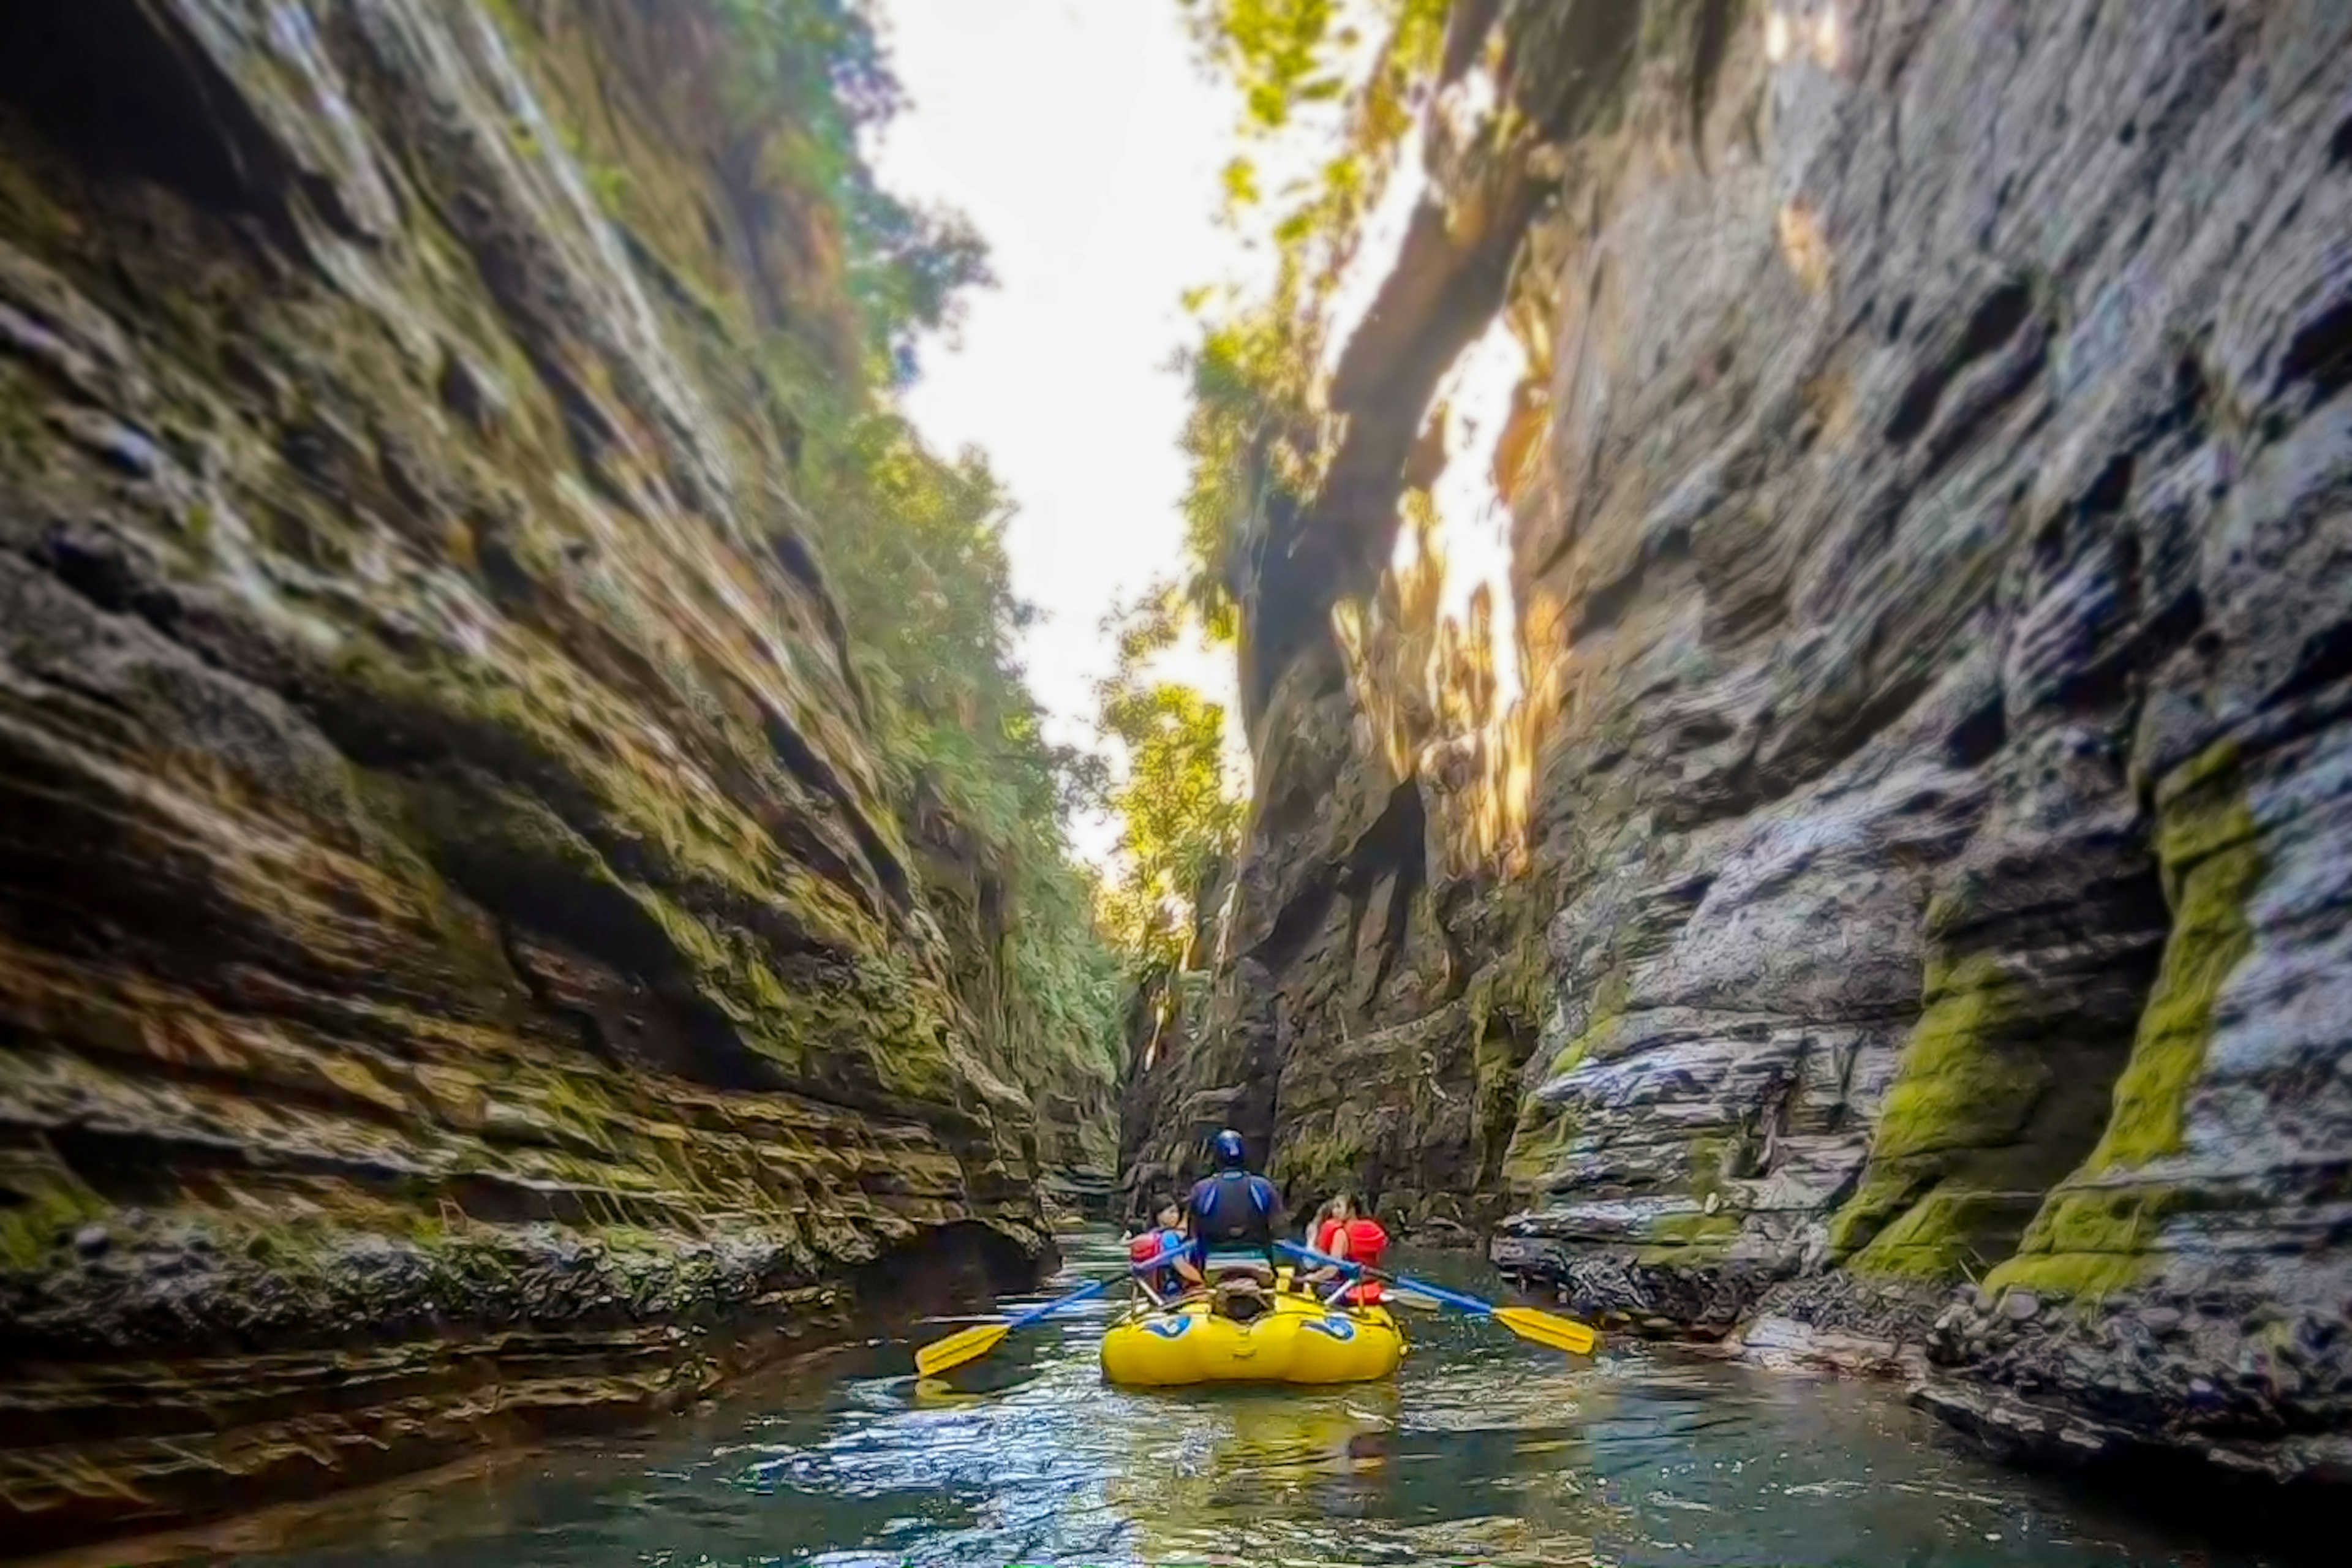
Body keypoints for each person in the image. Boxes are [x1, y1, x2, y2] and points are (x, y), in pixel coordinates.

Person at [1186, 1129, 1281, 1296]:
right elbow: (1279, 1232)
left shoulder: (1202, 1189)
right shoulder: (1262, 1187)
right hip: (1259, 1266)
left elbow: (1194, 1234)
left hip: (1215, 1267)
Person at [1127, 1198, 1198, 1299]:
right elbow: (1180, 1265)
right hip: (1173, 1292)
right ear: (1159, 1215)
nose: (1175, 1216)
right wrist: (1201, 1282)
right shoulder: (1169, 1237)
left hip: (1155, 1295)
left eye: (1177, 1212)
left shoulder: (1151, 1235)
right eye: (1171, 1212)